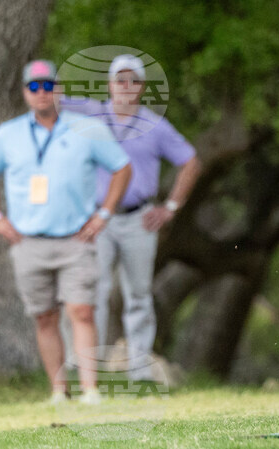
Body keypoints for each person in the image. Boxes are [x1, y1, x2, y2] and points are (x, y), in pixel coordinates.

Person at [0, 60, 132, 404]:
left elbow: (122, 167)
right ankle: (59, 391)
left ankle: (91, 390)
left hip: (77, 238)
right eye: (34, 87)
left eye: (48, 86)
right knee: (44, 316)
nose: (42, 92)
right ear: (25, 93)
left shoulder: (87, 129)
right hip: (28, 241)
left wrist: (104, 213)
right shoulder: (7, 134)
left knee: (82, 310)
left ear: (58, 90)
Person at [60, 54, 201, 381]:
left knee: (138, 293)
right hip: (97, 219)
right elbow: (53, 99)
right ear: (109, 85)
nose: (126, 86)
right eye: (119, 80)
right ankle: (83, 363)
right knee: (91, 289)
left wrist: (171, 207)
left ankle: (139, 367)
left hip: (139, 219)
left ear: (142, 87)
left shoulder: (155, 125)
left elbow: (190, 161)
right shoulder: (92, 114)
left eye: (133, 80)